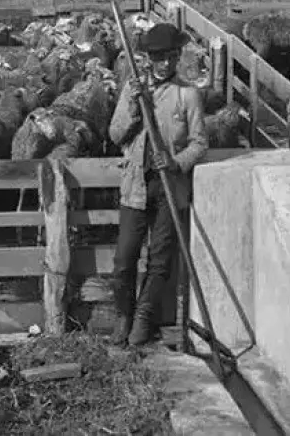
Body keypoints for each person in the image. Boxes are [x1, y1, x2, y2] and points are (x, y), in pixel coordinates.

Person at [108, 23, 209, 347]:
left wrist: (177, 162)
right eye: (158, 58)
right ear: (149, 59)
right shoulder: (134, 89)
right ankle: (123, 314)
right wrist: (135, 108)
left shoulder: (188, 94)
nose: (164, 63)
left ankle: (142, 320)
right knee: (124, 260)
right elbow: (115, 134)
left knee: (161, 261)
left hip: (169, 188)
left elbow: (199, 143)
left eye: (170, 57)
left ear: (178, 56)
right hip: (136, 186)